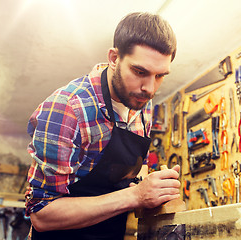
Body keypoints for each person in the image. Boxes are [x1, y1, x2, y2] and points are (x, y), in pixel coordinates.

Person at [25, 12, 179, 239]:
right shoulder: (67, 109)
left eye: (159, 76)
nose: (150, 88)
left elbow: (136, 169)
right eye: (140, 72)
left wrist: (151, 184)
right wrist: (136, 196)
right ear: (114, 58)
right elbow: (41, 215)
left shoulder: (141, 100)